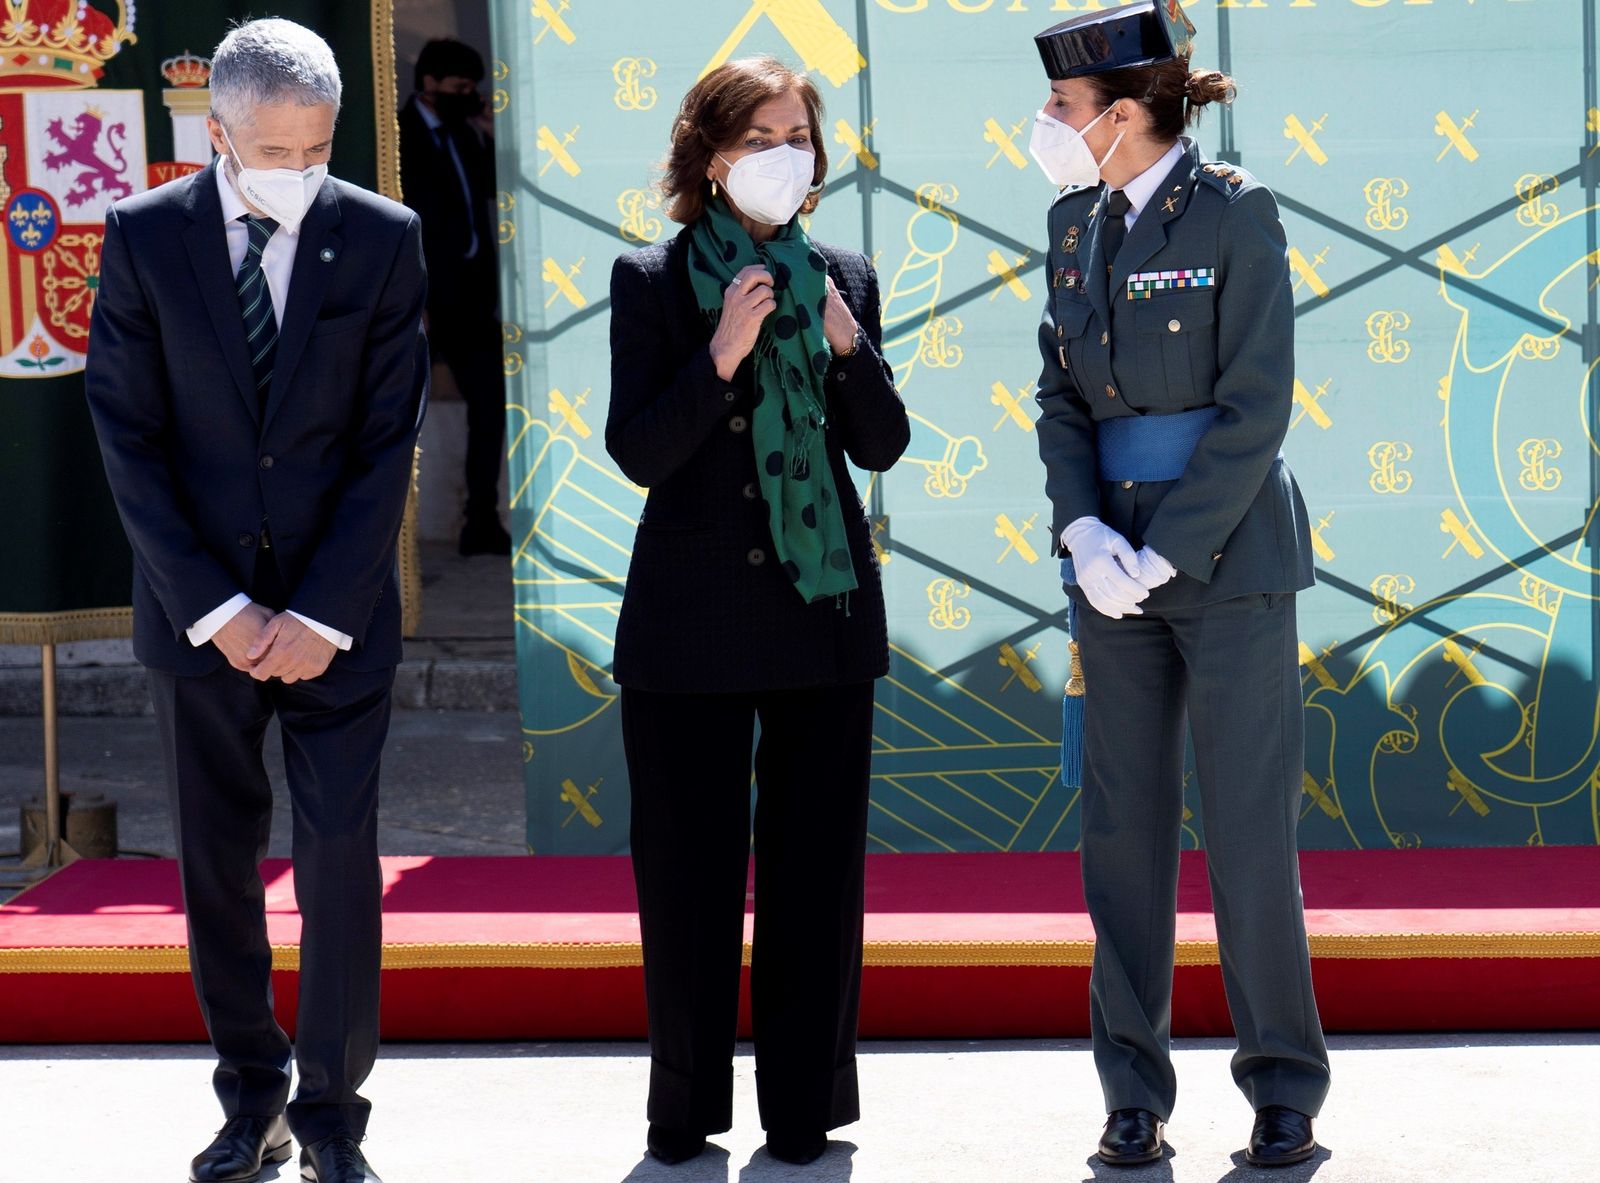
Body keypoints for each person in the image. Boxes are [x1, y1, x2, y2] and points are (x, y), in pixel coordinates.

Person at [84, 18, 427, 1183]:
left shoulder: (382, 237)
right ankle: (252, 1101)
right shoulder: (142, 239)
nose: (296, 169)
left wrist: (322, 614)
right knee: (218, 868)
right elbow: (128, 436)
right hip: (200, 619)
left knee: (338, 861)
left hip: (339, 618)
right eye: (272, 147)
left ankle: (335, 1116)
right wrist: (219, 609)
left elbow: (388, 437)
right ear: (216, 132)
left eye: (318, 147)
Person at [1027, 3, 1332, 1170]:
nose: (1045, 128)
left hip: (1230, 554)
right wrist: (1083, 531)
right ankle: (1130, 1093)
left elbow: (1258, 399)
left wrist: (1175, 543)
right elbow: (1061, 396)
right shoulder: (1072, 223)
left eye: (1059, 109)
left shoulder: (1235, 209)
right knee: (1122, 834)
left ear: (1119, 115)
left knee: (1250, 832)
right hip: (1113, 567)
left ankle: (1283, 1089)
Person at [605, 56, 909, 1168]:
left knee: (814, 877)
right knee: (684, 880)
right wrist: (722, 354)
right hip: (687, 623)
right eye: (763, 135)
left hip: (818, 612)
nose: (788, 154)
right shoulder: (652, 277)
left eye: (801, 135)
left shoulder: (844, 272)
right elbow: (639, 448)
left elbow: (879, 445)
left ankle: (803, 1110)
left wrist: (844, 343)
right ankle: (682, 1114)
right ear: (712, 153)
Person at [399, 37, 508, 556]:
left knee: (489, 403)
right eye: (460, 89)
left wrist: (490, 134)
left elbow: (493, 190)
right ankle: (392, 529)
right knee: (396, 411)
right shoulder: (397, 135)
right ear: (429, 86)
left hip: (469, 298)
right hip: (417, 298)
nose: (470, 96)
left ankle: (480, 520)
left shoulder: (467, 134)